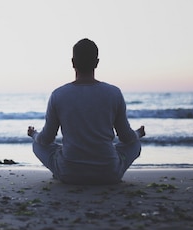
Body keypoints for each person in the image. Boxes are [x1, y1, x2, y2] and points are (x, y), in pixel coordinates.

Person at [28, 38, 145, 185]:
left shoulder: (58, 94)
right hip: (109, 173)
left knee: (37, 144)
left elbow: (46, 139)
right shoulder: (113, 93)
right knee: (135, 144)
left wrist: (34, 134)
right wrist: (139, 133)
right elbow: (127, 138)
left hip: (69, 173)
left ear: (73, 62)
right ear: (96, 63)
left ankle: (66, 166)